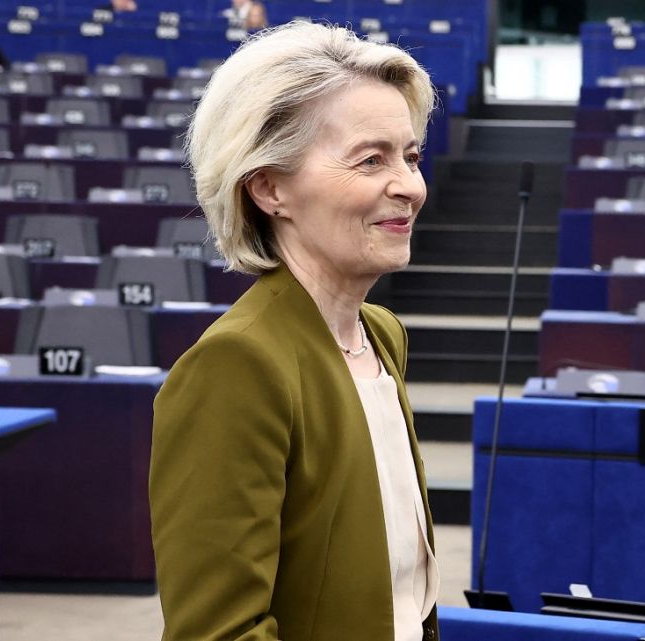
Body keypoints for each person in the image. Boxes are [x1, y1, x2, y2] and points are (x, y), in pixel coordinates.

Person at [149, 22, 439, 641]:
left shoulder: (381, 334)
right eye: (371, 159)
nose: (409, 187)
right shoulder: (237, 363)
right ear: (269, 188)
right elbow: (219, 631)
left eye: (411, 157)